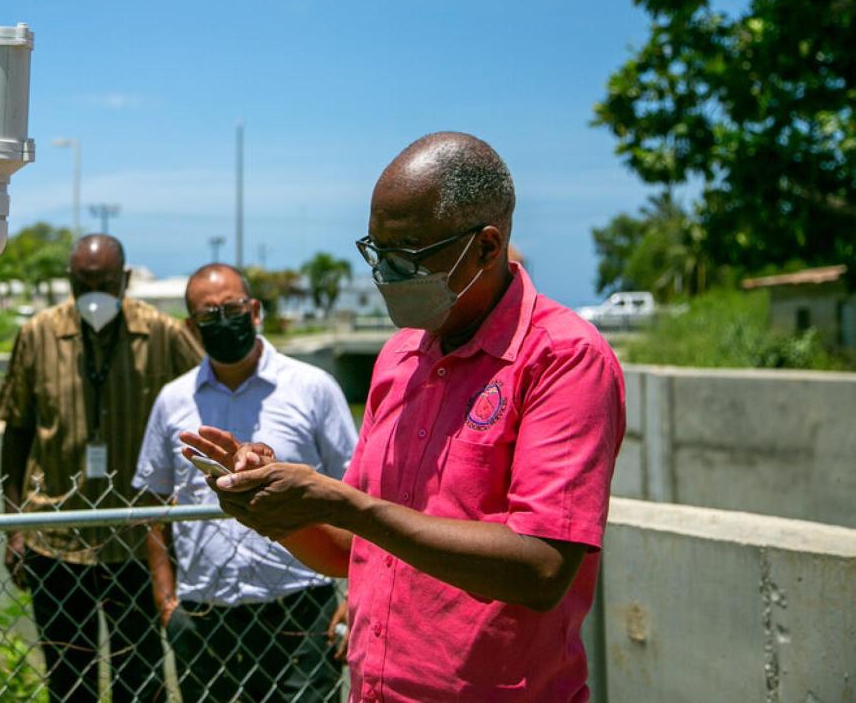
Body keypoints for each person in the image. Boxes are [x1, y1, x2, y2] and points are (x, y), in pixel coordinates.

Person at [184, 132, 626, 701]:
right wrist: (275, 505)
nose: (386, 274)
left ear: (487, 248)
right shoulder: (400, 357)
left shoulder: (563, 358)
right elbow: (356, 550)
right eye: (377, 251)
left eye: (408, 255)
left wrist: (343, 503)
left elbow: (540, 569)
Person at [133, 263, 357, 702]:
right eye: (207, 314)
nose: (222, 321)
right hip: (202, 613)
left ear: (254, 310)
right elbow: (153, 503)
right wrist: (167, 602)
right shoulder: (173, 400)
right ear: (190, 326)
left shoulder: (313, 388)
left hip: (299, 608)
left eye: (231, 308)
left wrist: (355, 593)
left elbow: (356, 490)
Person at [0, 234, 203, 702]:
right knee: (69, 680)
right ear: (69, 280)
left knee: (142, 676)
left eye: (105, 283)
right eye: (82, 283)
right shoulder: (38, 334)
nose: (93, 294)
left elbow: (204, 401)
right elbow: (18, 433)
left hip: (137, 540)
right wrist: (13, 527)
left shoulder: (162, 334)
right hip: (56, 540)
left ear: (125, 280)